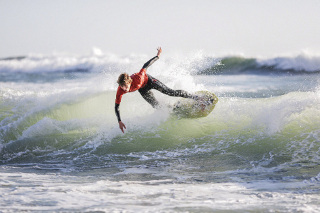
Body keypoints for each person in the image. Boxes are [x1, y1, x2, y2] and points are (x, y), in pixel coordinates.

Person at [115, 47, 198, 133]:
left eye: (125, 86)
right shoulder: (120, 90)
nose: (124, 89)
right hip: (142, 89)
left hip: (150, 81)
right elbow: (117, 106)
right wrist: (119, 121)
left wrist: (157, 56)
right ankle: (173, 109)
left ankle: (195, 97)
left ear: (129, 82)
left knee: (170, 92)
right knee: (156, 105)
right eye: (122, 87)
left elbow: (145, 65)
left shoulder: (138, 77)